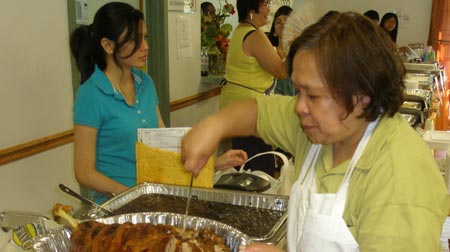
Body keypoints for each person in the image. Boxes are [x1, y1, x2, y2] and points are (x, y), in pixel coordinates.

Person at [181, 11, 449, 252]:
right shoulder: (319, 129)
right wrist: (212, 126)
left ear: (361, 95)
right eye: (298, 92)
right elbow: (256, 112)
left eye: (313, 96)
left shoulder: (397, 170)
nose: (300, 107)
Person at [70, 2, 247, 203]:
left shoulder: (145, 83)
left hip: (152, 198)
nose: (145, 47)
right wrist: (132, 194)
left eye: (145, 37)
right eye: (135, 40)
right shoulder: (90, 95)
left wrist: (211, 164)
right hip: (116, 206)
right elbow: (84, 173)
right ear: (108, 45)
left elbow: (165, 149)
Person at [220, 0, 288, 177]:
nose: (269, 10)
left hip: (238, 111)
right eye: (265, 5)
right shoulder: (255, 36)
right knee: (261, 171)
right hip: (251, 115)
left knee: (242, 167)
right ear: (252, 10)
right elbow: (281, 72)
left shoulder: (240, 31)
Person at [266, 5, 296, 97]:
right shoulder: (269, 52)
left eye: (286, 21)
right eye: (278, 22)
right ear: (274, 32)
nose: (283, 23)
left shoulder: (300, 53)